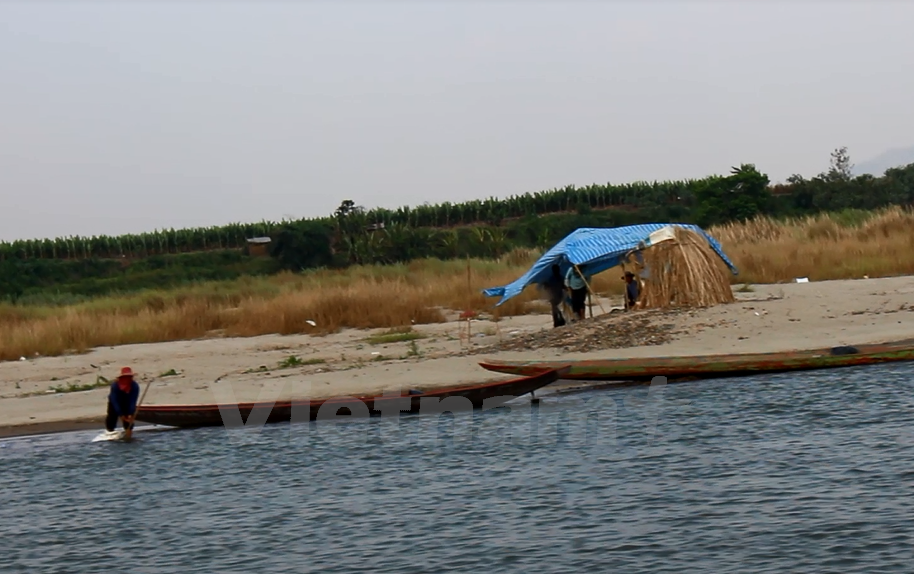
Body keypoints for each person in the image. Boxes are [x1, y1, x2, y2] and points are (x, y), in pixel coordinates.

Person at [106, 366, 140, 433]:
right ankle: (110, 431)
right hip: (114, 402)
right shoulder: (115, 385)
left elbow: (133, 400)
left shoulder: (134, 386)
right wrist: (120, 414)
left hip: (127, 402)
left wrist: (130, 413)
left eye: (129, 377)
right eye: (125, 377)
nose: (127, 379)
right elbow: (114, 400)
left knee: (129, 421)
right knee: (112, 417)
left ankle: (128, 432)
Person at [542, 264, 566, 328]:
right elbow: (564, 286)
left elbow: (548, 287)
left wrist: (545, 285)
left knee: (555, 310)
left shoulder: (551, 279)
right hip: (559, 296)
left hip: (554, 297)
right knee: (560, 309)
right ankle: (561, 321)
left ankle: (556, 323)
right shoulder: (561, 277)